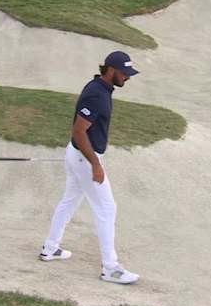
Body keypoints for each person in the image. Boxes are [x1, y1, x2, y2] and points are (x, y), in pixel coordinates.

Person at [42, 51, 141, 285]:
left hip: (78, 155)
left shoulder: (102, 89)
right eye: (124, 73)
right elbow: (79, 131)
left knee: (70, 201)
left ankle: (50, 248)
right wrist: (95, 164)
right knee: (107, 208)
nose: (127, 78)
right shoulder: (96, 94)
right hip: (84, 158)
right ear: (110, 70)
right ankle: (110, 268)